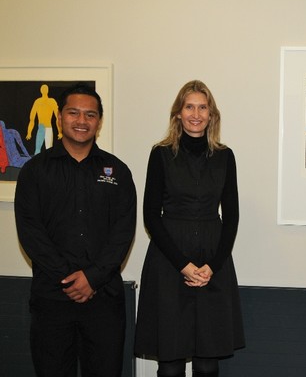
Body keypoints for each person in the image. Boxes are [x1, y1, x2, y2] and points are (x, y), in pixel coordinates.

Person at [14, 83, 137, 377]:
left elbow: (123, 232)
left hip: (104, 300)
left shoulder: (117, 171)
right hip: (52, 299)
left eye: (90, 115)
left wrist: (92, 278)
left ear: (99, 121)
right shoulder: (35, 171)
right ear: (59, 118)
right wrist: (69, 279)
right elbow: (30, 232)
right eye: (74, 113)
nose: (82, 121)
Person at [134, 80, 244, 377]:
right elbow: (150, 215)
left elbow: (231, 217)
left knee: (208, 364)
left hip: (213, 262)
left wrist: (213, 266)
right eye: (190, 106)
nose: (196, 114)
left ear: (212, 115)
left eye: (203, 107)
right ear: (178, 113)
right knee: (170, 366)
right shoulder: (160, 154)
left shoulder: (225, 156)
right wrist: (182, 264)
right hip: (169, 261)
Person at [26, 84, 61, 155]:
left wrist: (60, 131)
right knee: (42, 150)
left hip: (44, 127)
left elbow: (58, 118)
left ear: (41, 91)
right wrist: (29, 132)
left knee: (43, 150)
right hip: (44, 127)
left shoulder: (40, 102)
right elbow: (32, 119)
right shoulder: (43, 102)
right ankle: (37, 164)